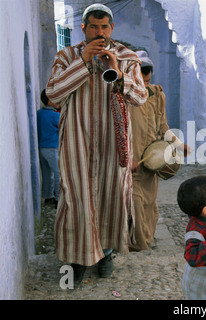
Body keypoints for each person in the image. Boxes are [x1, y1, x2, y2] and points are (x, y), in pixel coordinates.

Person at [45, 3, 148, 288]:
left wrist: (118, 71)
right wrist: (82, 64)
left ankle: (106, 254)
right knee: (76, 199)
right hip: (77, 141)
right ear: (84, 28)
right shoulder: (66, 56)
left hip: (113, 145)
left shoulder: (127, 57)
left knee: (111, 197)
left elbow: (140, 97)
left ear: (112, 29)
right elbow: (53, 93)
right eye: (94, 27)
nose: (99, 33)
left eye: (104, 27)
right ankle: (76, 260)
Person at [129, 51, 192, 251]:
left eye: (148, 80)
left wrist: (178, 144)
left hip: (152, 158)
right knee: (135, 202)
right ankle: (136, 243)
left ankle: (144, 240)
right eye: (141, 80)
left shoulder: (157, 94)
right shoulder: (125, 96)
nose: (144, 85)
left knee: (149, 203)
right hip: (131, 160)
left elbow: (163, 127)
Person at [37, 89, 61, 208]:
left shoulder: (39, 113)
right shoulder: (55, 115)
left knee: (46, 173)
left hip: (41, 149)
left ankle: (47, 197)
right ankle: (57, 198)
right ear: (50, 102)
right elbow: (63, 126)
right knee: (58, 173)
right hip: (52, 148)